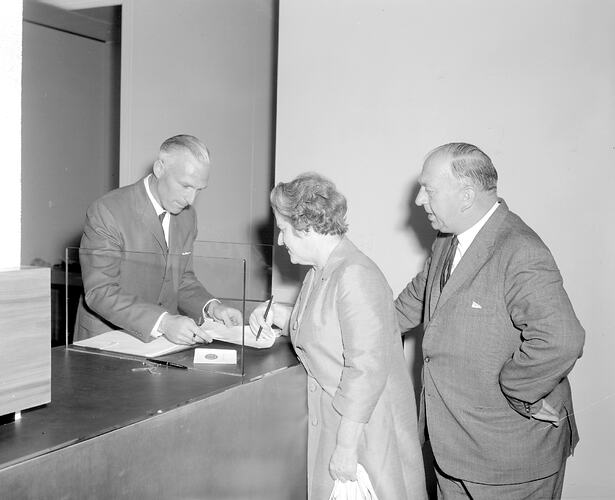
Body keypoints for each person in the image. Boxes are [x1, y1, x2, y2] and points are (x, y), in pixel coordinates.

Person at [395, 142, 585, 499]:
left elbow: (562, 338)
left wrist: (515, 390)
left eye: (429, 190)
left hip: (509, 464)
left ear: (466, 195)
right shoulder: (446, 242)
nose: (420, 200)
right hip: (452, 451)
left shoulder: (519, 249)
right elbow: (407, 307)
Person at [250, 173, 427, 500]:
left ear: (306, 227)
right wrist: (280, 316)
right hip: (336, 423)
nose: (280, 240)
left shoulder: (355, 274)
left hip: (362, 433)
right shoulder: (321, 271)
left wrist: (346, 447)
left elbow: (366, 369)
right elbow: (329, 328)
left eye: (283, 230)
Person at [75, 134, 242, 345]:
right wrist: (163, 323)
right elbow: (101, 291)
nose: (191, 200)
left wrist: (211, 307)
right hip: (107, 340)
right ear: (159, 168)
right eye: (185, 186)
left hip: (159, 344)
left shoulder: (187, 216)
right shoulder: (107, 211)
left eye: (199, 190)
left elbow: (181, 280)